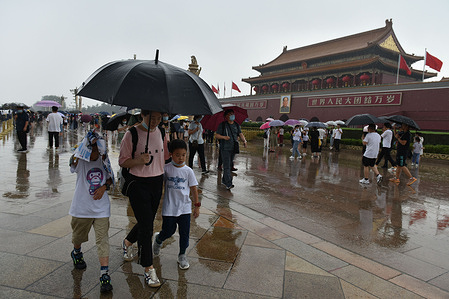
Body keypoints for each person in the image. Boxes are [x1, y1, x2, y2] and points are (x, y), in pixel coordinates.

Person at [119, 110, 169, 287]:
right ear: (143, 115)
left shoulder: (163, 132)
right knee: (147, 227)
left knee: (146, 221)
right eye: (151, 117)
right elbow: (123, 161)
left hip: (157, 182)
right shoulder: (131, 134)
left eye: (158, 118)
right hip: (138, 184)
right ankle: (148, 267)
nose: (155, 121)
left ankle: (127, 242)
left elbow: (165, 157)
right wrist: (139, 160)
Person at [68, 131, 114, 293]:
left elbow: (110, 179)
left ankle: (104, 274)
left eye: (97, 149)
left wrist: (104, 187)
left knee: (103, 241)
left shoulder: (104, 160)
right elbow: (71, 163)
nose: (95, 153)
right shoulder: (80, 160)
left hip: (101, 209)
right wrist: (78, 149)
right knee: (78, 237)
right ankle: (77, 252)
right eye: (92, 150)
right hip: (81, 208)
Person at [152, 139, 200, 269]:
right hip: (169, 207)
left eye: (183, 155)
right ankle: (159, 239)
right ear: (171, 154)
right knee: (169, 231)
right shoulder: (166, 169)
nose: (181, 158)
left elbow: (194, 188)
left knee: (185, 233)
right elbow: (157, 184)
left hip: (184, 207)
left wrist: (196, 206)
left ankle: (182, 255)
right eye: (178, 155)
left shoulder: (188, 171)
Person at [215, 109, 247, 190]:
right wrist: (224, 137)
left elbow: (240, 134)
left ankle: (224, 180)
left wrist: (244, 140)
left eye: (232, 114)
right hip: (224, 148)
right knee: (226, 166)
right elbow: (217, 135)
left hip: (233, 147)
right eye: (230, 114)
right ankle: (228, 183)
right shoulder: (222, 125)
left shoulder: (236, 125)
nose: (232, 115)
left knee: (229, 165)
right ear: (226, 116)